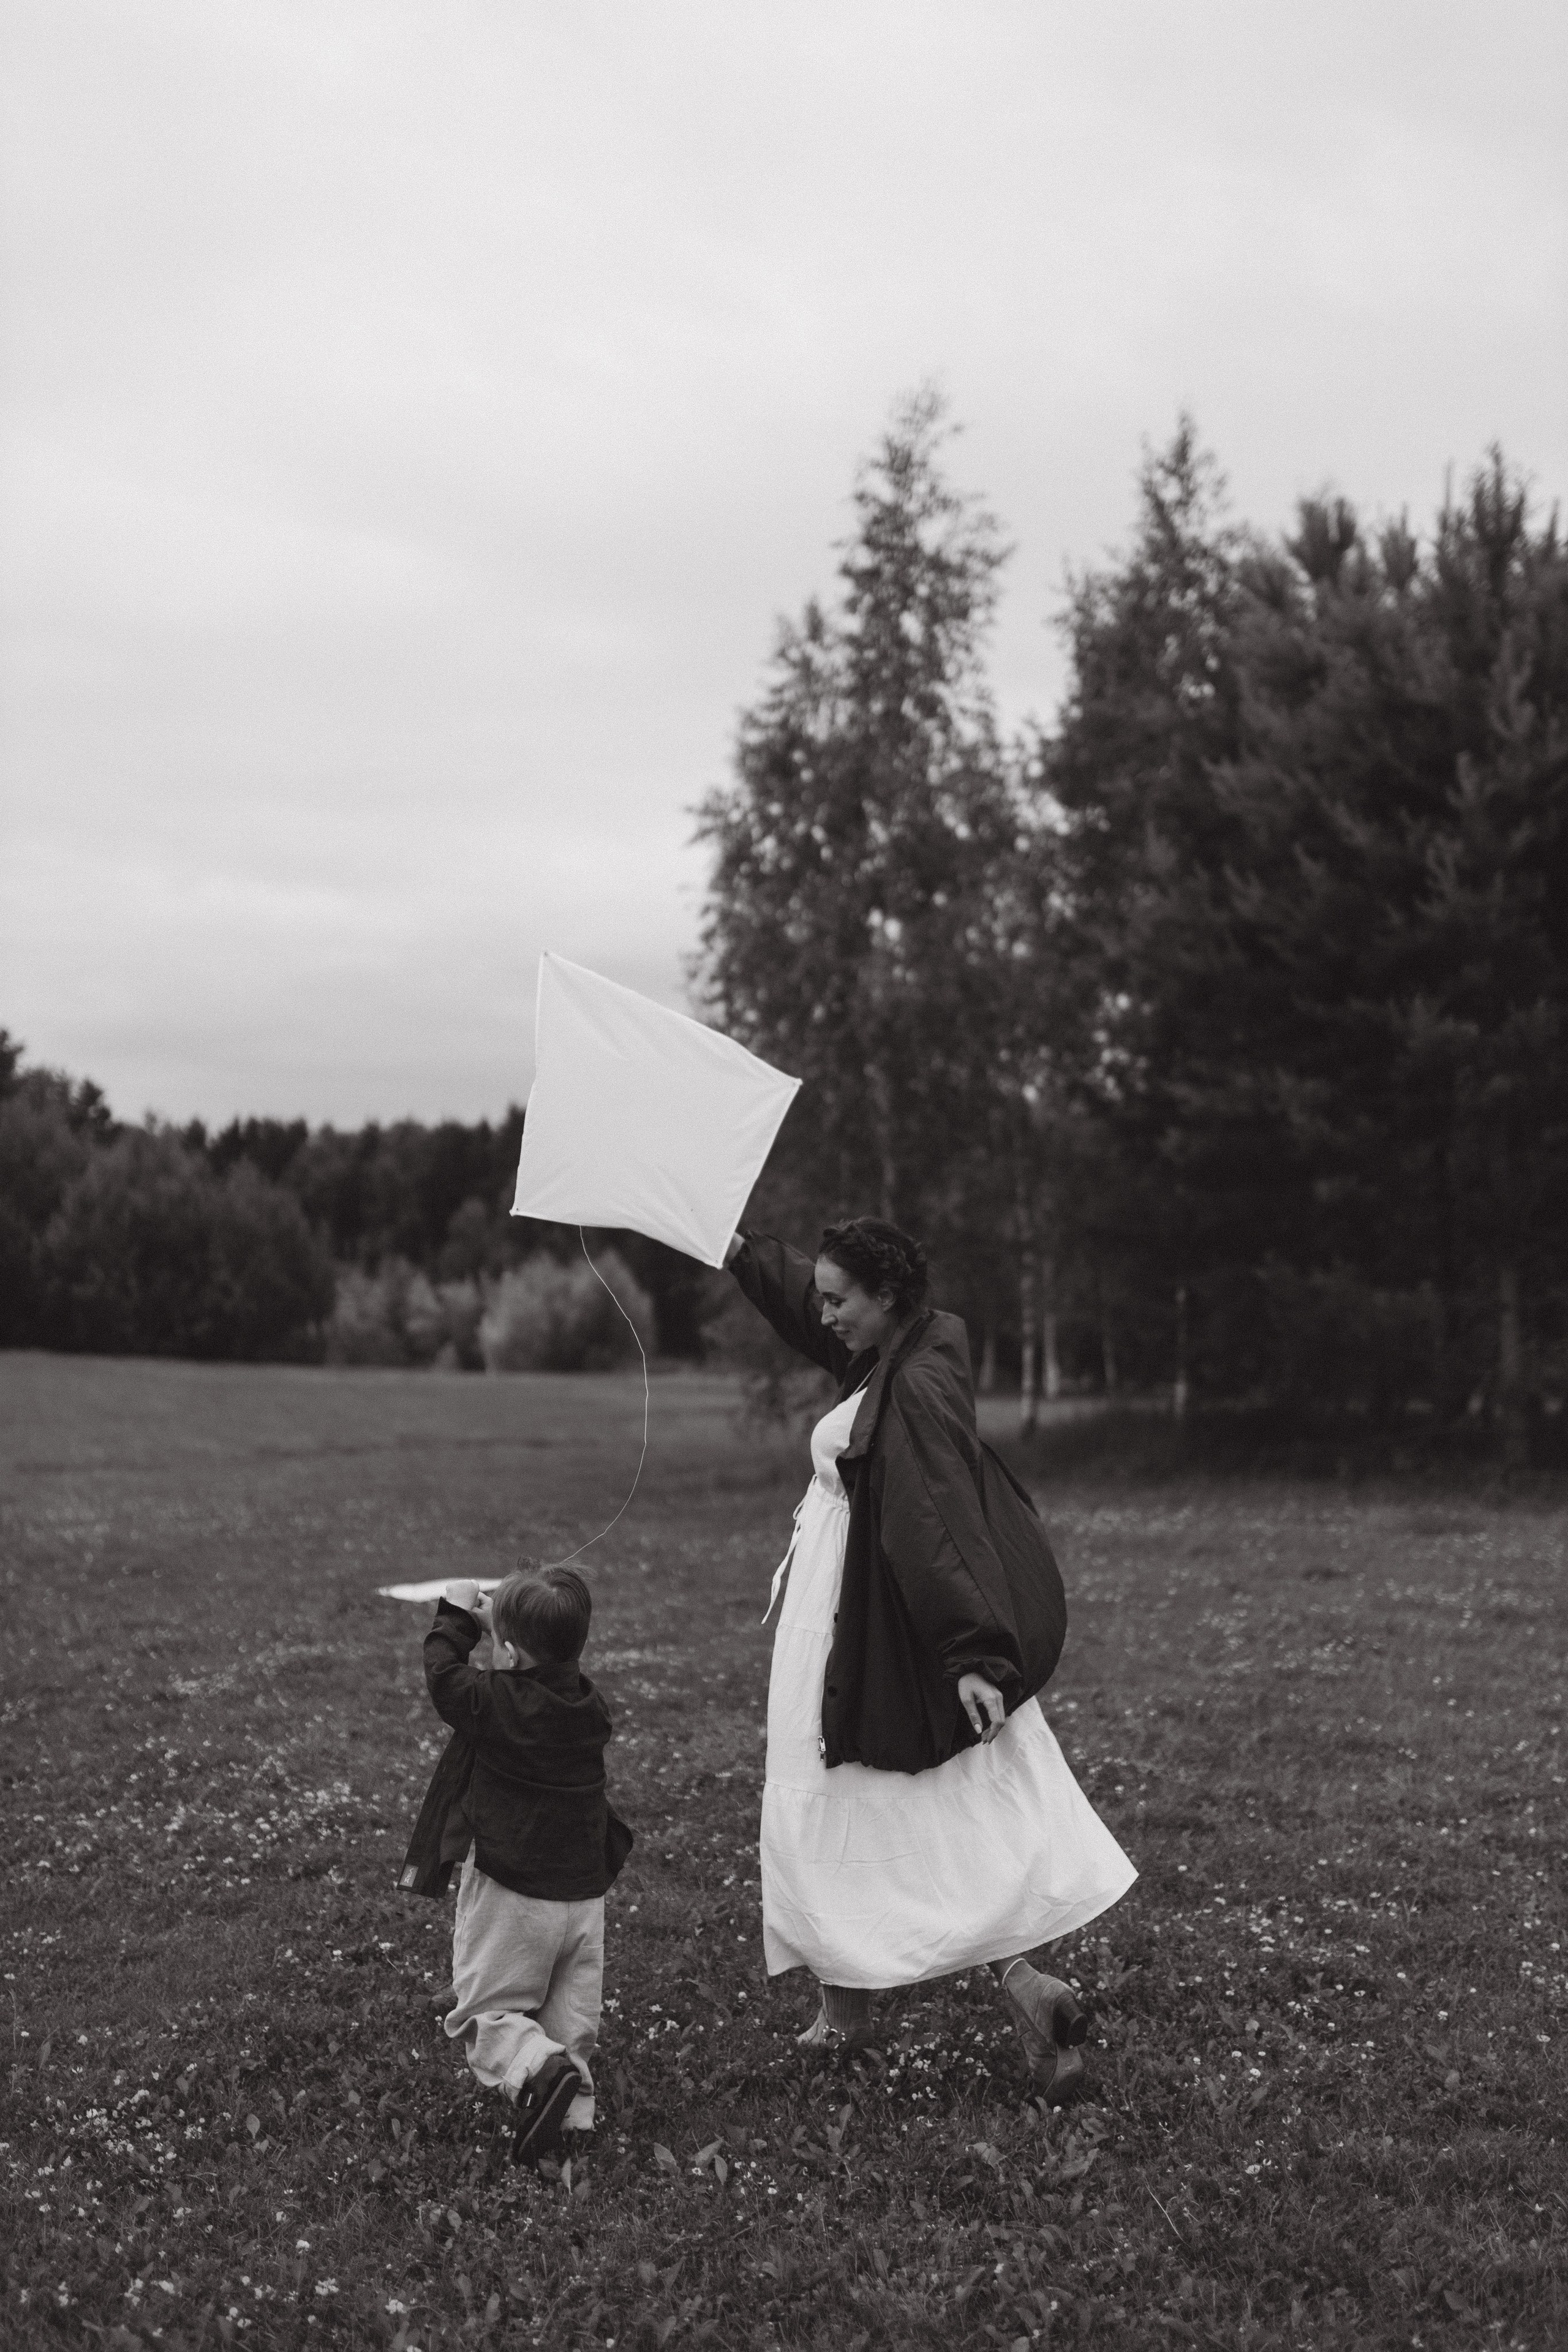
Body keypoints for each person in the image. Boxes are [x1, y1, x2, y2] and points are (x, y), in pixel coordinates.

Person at [727, 1216, 1136, 2101]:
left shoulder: (910, 1390)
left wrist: (972, 1655)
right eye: (825, 1294)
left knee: (837, 1792)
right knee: (923, 1805)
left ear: (886, 1299)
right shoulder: (913, 1342)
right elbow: (808, 1302)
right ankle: (1019, 1989)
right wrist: (740, 1250)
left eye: (842, 1299)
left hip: (870, 1613)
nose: (826, 1312)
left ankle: (850, 2018)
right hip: (868, 1603)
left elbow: (935, 1520)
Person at [402, 1562, 633, 2163]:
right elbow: (543, 1658)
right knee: (569, 2013)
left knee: (488, 2010)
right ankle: (572, 2118)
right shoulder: (589, 1705)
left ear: (505, 1654)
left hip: (513, 1889)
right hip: (582, 1895)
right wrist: (509, 1633)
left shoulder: (493, 1701)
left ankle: (533, 2070)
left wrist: (456, 1619)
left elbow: (444, 1678)